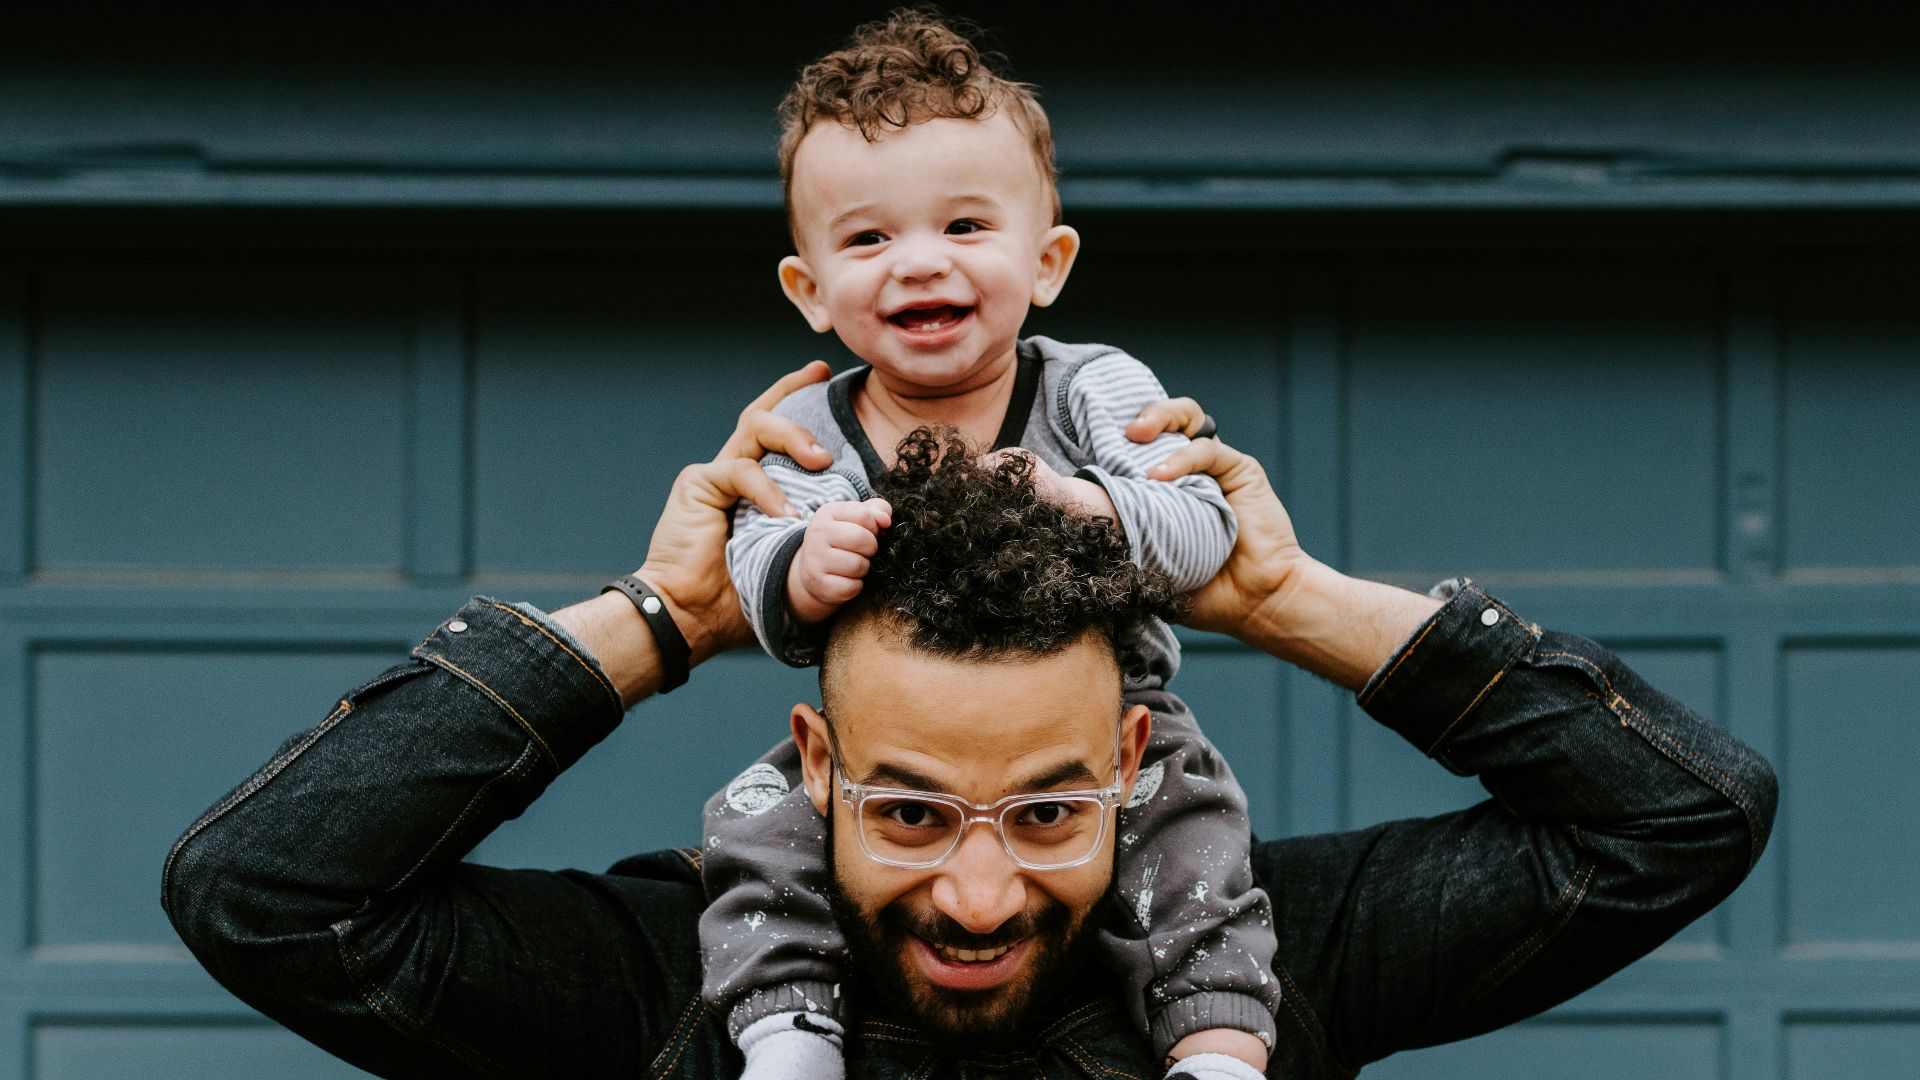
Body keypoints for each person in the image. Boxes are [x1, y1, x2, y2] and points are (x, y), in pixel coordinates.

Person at [163, 364, 1777, 1078]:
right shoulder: (674, 986)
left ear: (1137, 761)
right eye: (914, 812)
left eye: (1054, 811)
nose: (982, 897)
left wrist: (1285, 601)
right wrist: (664, 625)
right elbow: (265, 893)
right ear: (817, 770)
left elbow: (1685, 815)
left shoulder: (1279, 958)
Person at [712, 12, 1272, 1076]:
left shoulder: (1094, 386)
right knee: (758, 830)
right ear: (811, 291)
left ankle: (1214, 1041)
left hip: (1116, 717)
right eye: (869, 239)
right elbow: (754, 583)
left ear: (1048, 261)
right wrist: (798, 566)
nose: (919, 264)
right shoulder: (807, 430)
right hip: (887, 752)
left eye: (965, 227)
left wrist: (1089, 503)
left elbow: (1202, 531)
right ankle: (787, 1032)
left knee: (1196, 842)